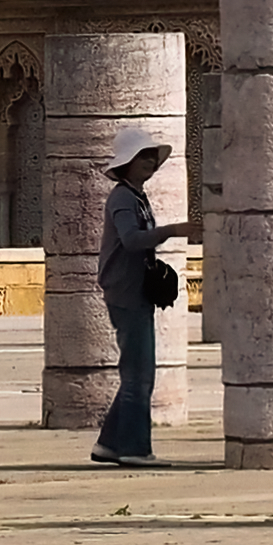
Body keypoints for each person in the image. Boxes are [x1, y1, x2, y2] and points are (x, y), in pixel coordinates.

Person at [90, 135, 193, 468]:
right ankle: (135, 449)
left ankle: (109, 444)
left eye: (152, 157)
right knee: (139, 375)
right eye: (143, 156)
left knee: (137, 372)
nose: (150, 162)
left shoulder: (136, 196)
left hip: (134, 291)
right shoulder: (122, 197)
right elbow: (132, 240)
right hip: (126, 293)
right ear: (127, 162)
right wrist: (173, 230)